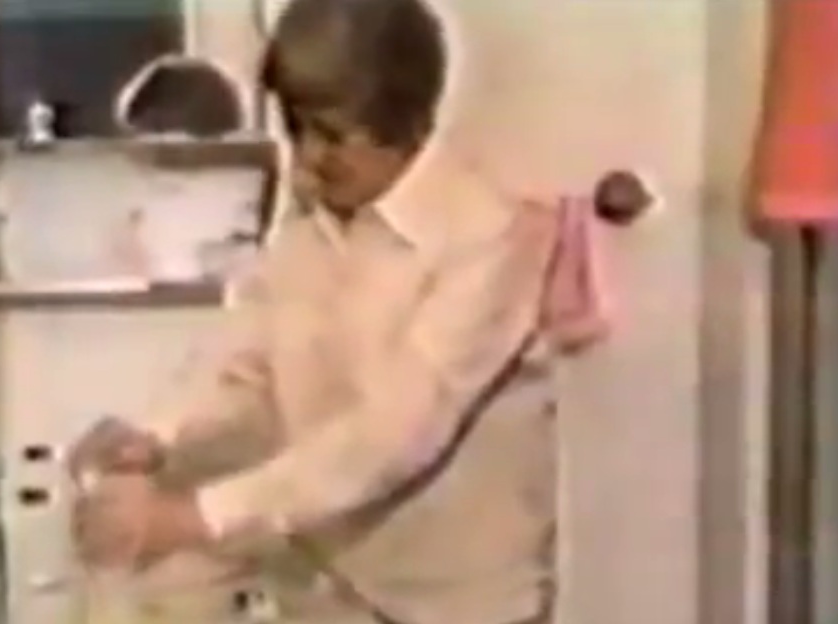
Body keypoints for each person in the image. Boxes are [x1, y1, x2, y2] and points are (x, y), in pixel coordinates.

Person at [69, 0, 560, 622]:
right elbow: (249, 367)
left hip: (454, 606)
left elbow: (392, 434)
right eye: (295, 129)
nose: (305, 160)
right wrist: (157, 435)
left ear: (407, 125)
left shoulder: (488, 236)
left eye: (331, 135)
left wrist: (195, 518)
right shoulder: (310, 223)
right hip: (327, 590)